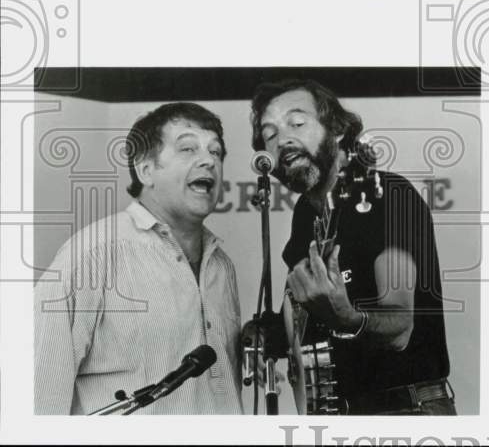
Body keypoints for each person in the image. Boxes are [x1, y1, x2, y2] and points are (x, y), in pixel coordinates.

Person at [250, 79, 453, 415]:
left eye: (297, 123)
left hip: (406, 412)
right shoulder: (305, 213)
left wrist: (345, 317)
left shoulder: (388, 195)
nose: (282, 139)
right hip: (340, 413)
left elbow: (399, 327)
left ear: (339, 131)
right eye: (270, 134)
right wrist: (262, 334)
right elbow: (304, 318)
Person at [34, 103, 243, 414]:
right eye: (188, 148)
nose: (208, 161)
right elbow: (38, 401)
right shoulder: (91, 255)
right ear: (145, 169)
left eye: (216, 152)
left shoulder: (222, 265)